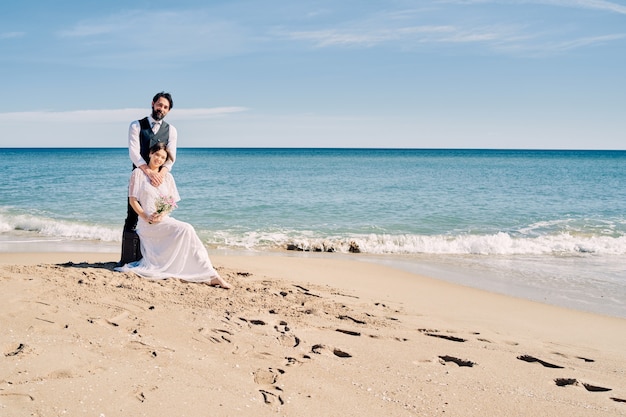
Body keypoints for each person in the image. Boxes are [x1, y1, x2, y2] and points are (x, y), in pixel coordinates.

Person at [115, 142, 232, 289]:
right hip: (147, 224)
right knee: (186, 229)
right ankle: (210, 274)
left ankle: (210, 273)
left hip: (163, 219)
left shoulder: (168, 177)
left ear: (165, 161)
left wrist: (162, 213)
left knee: (186, 230)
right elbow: (133, 200)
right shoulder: (138, 173)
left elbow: (171, 203)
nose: (159, 159)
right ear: (150, 154)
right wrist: (145, 216)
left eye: (163, 157)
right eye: (157, 154)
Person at [119, 91, 178, 264]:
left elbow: (171, 157)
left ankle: (157, 257)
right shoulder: (136, 125)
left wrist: (160, 174)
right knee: (133, 215)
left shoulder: (172, 130)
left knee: (160, 212)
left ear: (168, 110)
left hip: (160, 177)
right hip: (139, 175)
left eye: (166, 107)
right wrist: (147, 171)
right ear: (153, 103)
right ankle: (126, 258)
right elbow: (134, 153)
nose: (162, 109)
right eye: (160, 105)